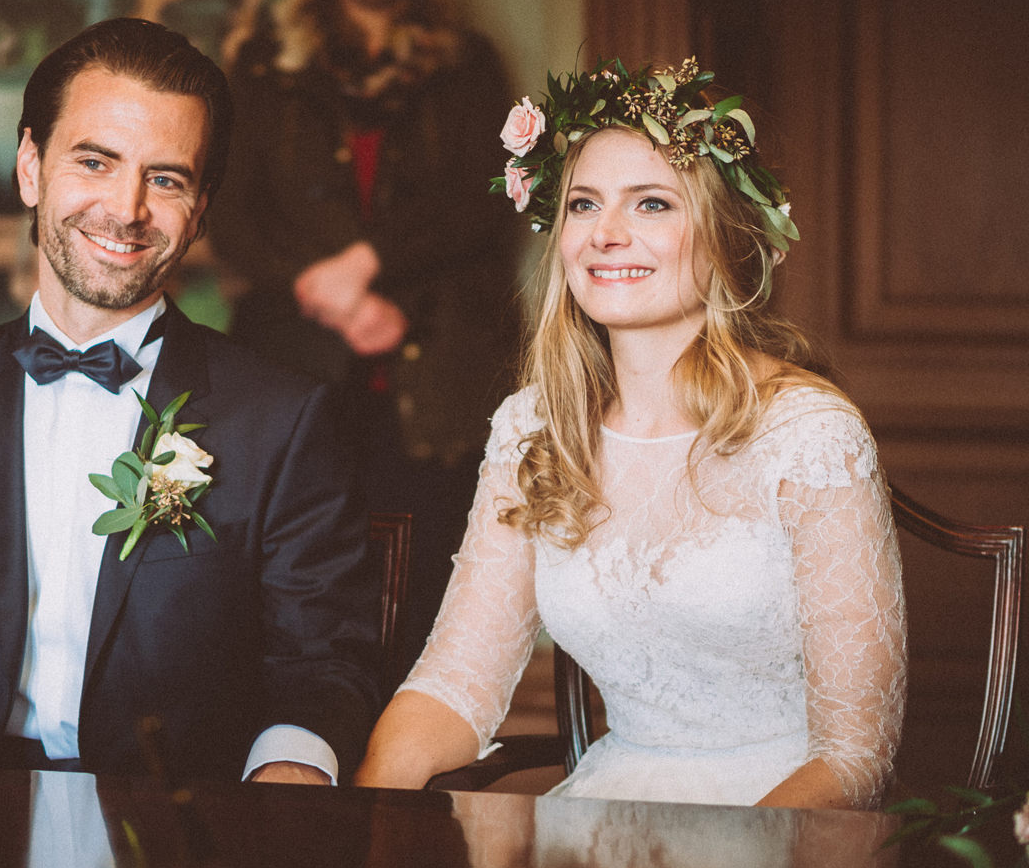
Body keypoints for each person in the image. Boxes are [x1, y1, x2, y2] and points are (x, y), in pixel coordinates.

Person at [0, 18, 381, 784]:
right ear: (31, 168)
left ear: (201, 210)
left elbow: (323, 665)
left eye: (166, 178)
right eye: (95, 162)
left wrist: (288, 782)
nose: (127, 207)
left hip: (183, 829)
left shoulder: (282, 420)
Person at [354, 58, 908, 809]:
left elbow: (855, 756)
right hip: (608, 807)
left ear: (721, 234)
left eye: (651, 204)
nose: (607, 234)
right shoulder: (533, 428)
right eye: (584, 205)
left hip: (786, 831)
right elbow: (455, 682)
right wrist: (364, 835)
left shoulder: (809, 434)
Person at [209, 0, 520, 686]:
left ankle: (405, 785)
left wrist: (371, 271)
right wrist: (326, 290)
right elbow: (234, 212)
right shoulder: (264, 63)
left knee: (420, 603)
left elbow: (483, 202)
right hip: (293, 359)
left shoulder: (468, 63)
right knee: (290, 588)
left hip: (433, 370)